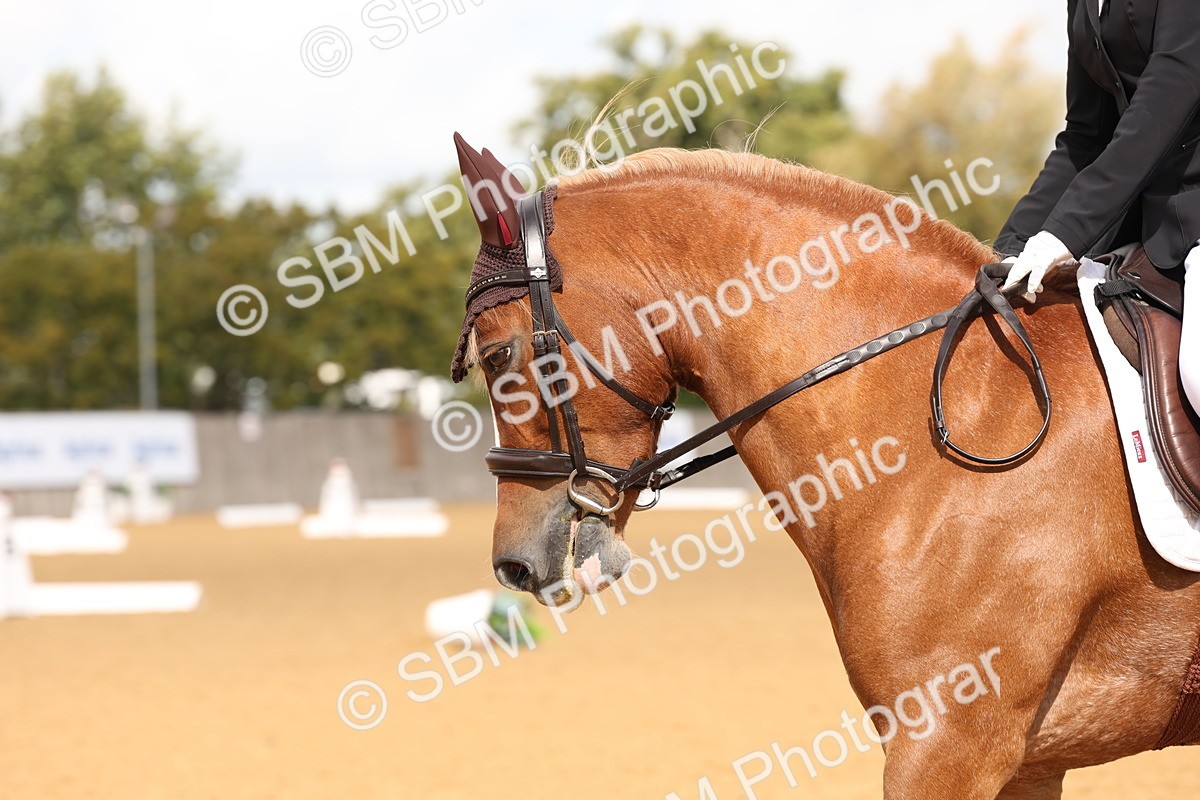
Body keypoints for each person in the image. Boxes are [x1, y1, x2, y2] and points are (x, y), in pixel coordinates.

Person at [996, 0, 1199, 413]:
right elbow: (1086, 137)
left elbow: (1174, 86)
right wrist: (1009, 249)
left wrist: (1065, 232)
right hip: (1150, 230)